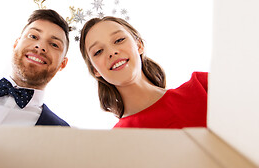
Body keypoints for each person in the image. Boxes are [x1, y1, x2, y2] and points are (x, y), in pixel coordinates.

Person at [79, 16, 207, 129]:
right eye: (98, 51)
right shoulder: (116, 141)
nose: (112, 52)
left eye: (119, 40)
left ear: (139, 45)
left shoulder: (203, 87)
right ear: (95, 70)